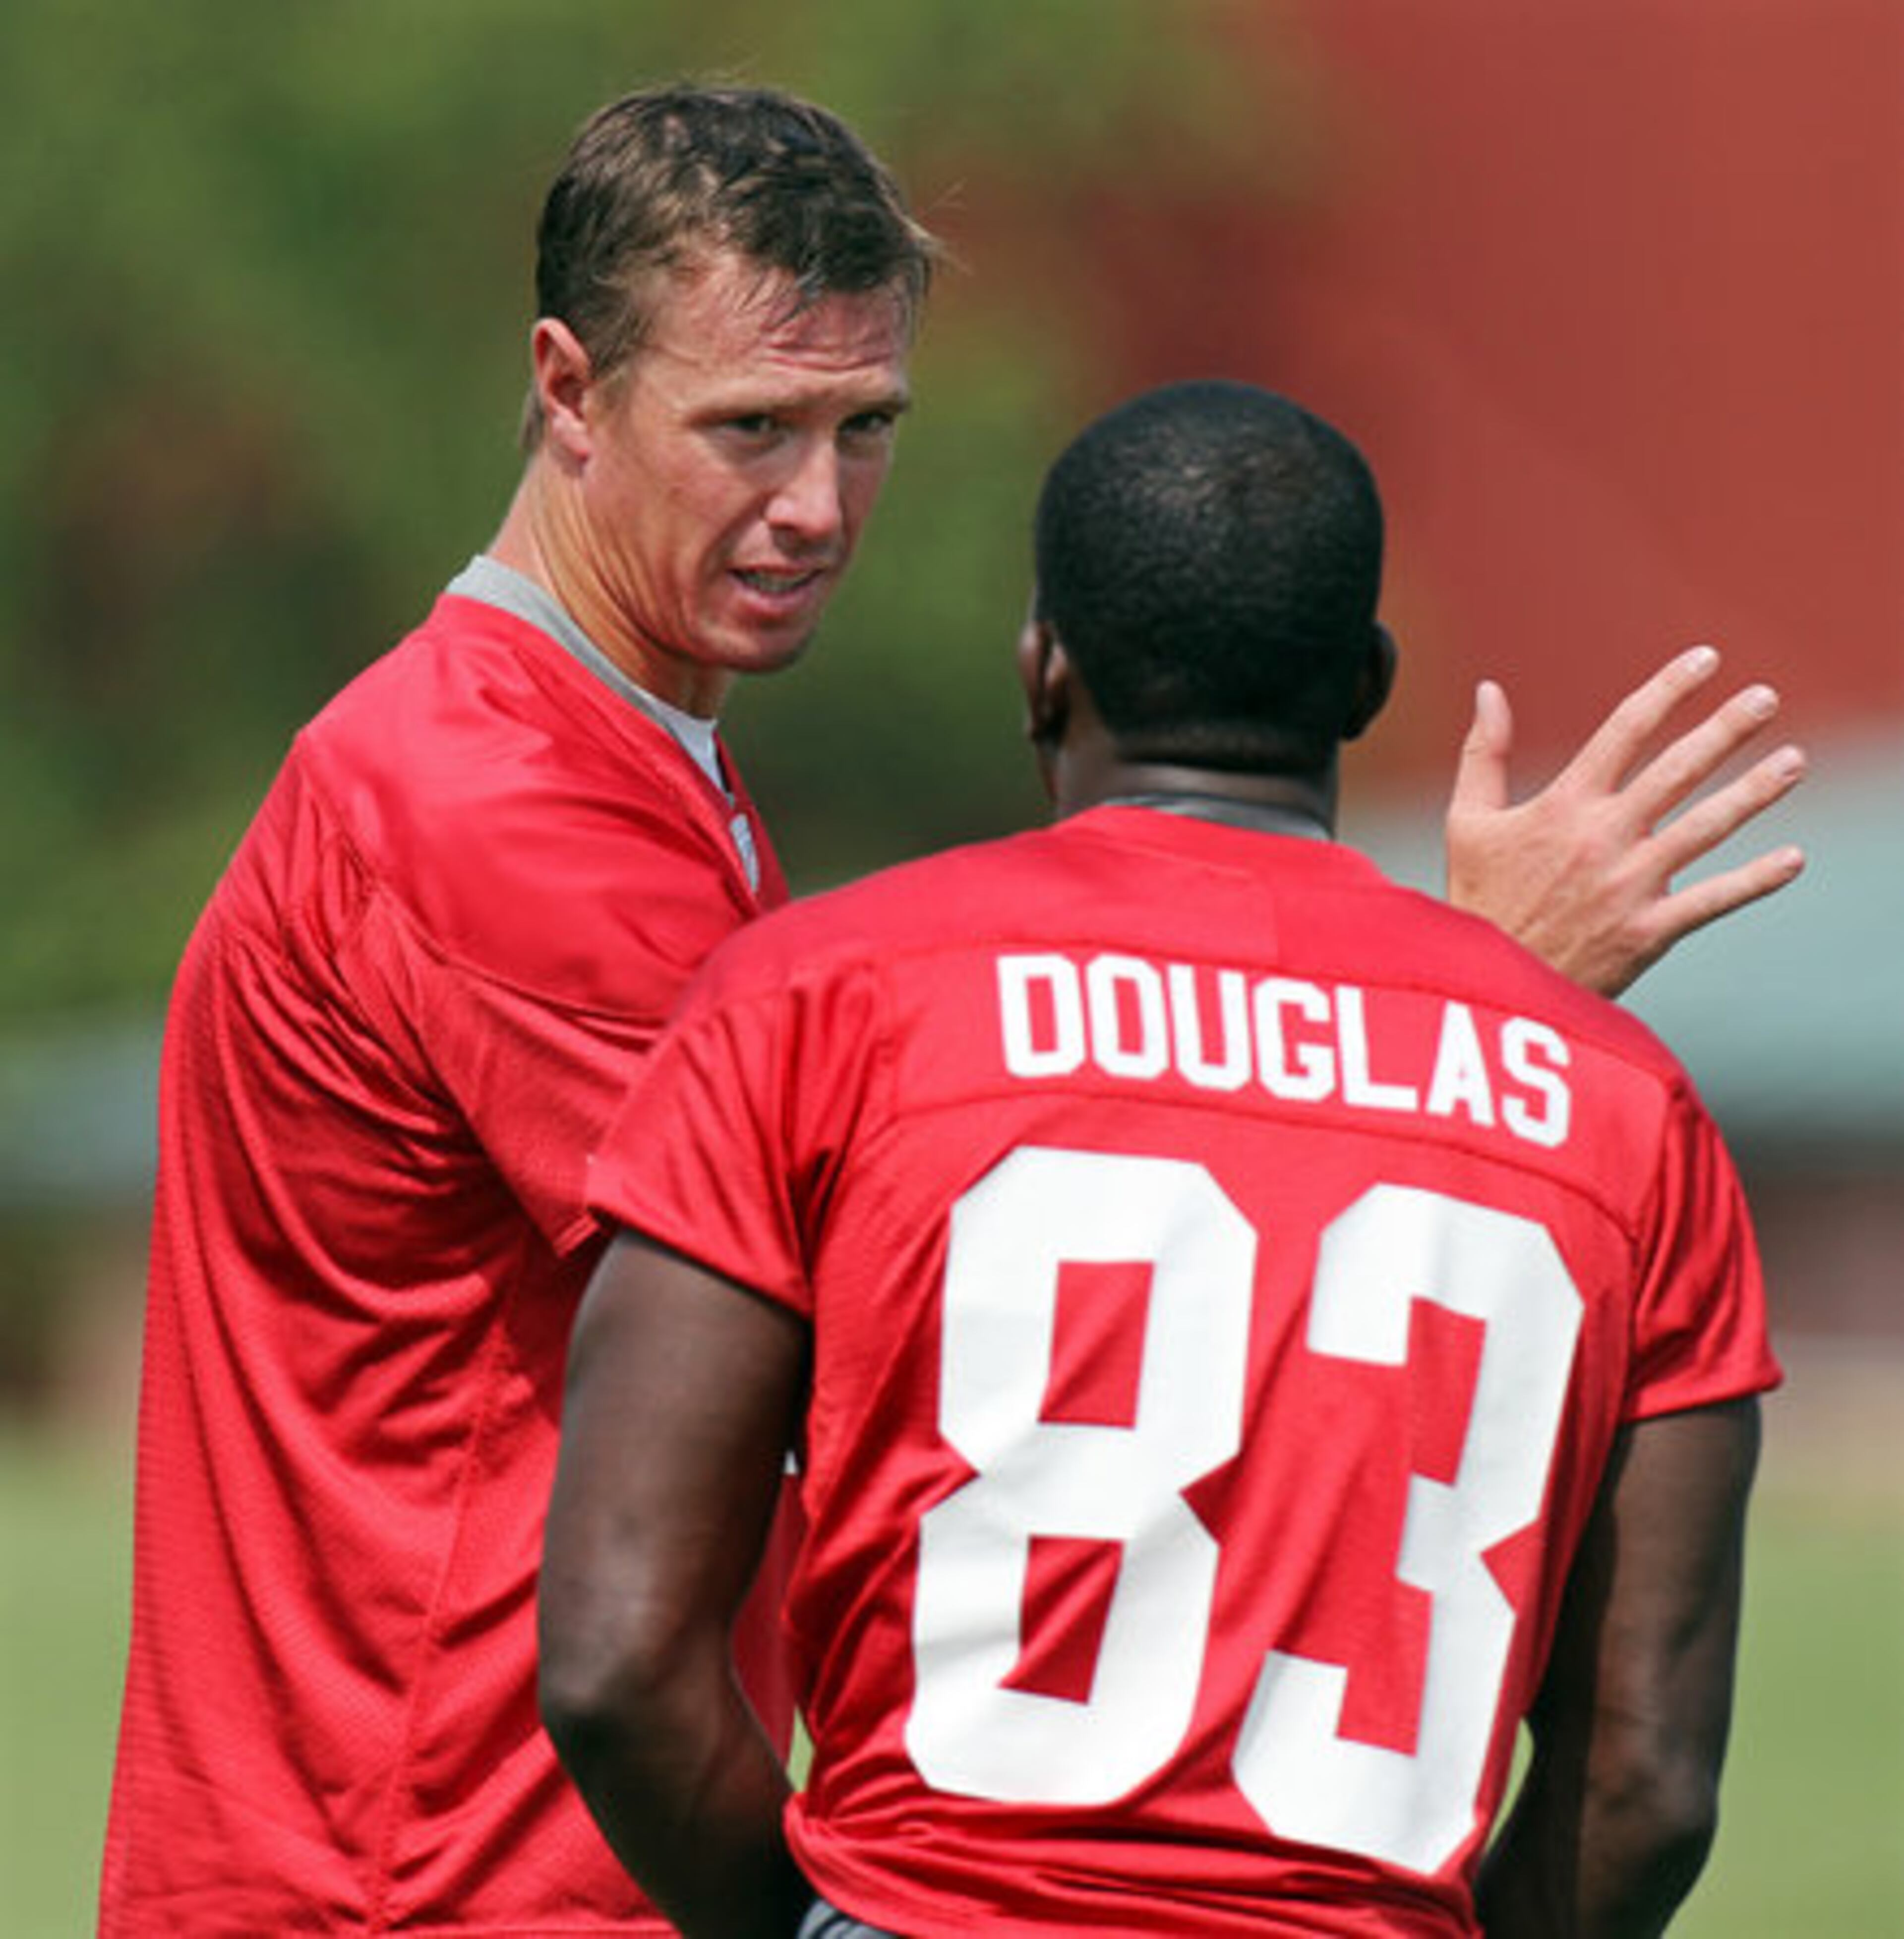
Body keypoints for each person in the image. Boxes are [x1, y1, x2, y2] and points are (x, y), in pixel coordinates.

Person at [102, 76, 1798, 1939]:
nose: (816, 507)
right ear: (570, 391)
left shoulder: (609, 756)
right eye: (751, 428)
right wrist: (1461, 1015)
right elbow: (986, 1292)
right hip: (424, 1880)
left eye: (866, 427)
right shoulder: (494, 808)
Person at [540, 379, 1780, 1939]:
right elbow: (1644, 1786)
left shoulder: (821, 999)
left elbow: (617, 1660)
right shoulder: (1626, 1108)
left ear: (1043, 669)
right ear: (1366, 686)